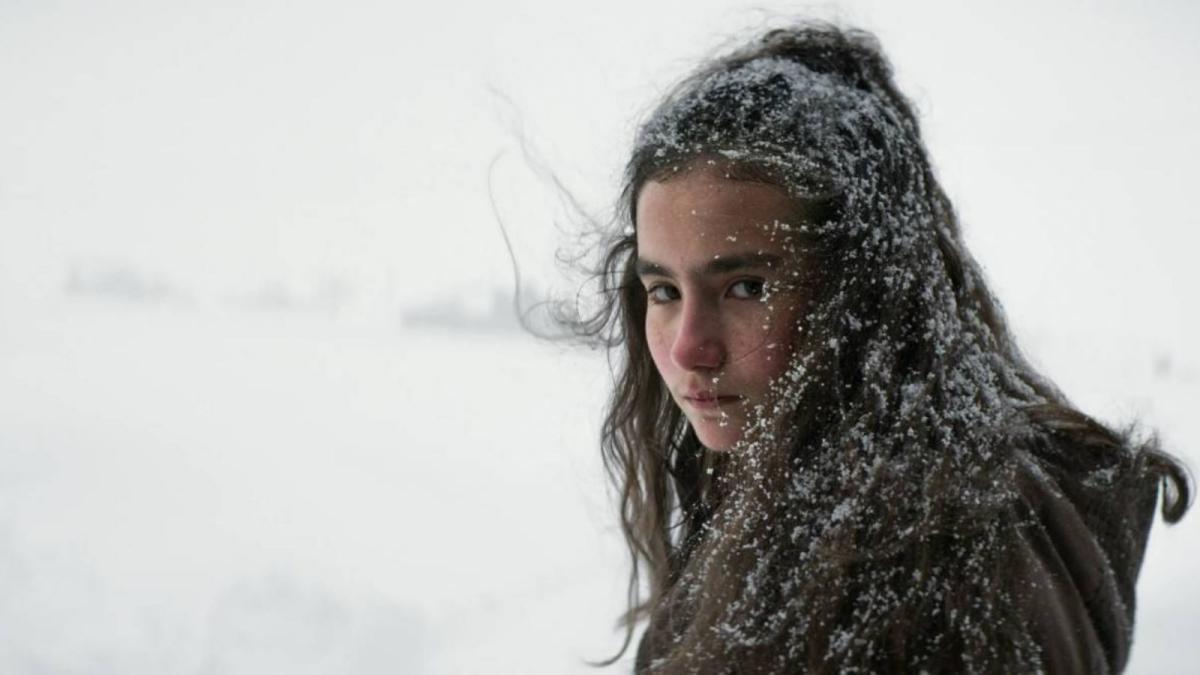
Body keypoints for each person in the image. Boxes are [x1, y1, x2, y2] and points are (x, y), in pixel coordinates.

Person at [563, 23, 1191, 674]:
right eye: (663, 291)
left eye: (747, 286)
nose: (690, 347)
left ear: (865, 295)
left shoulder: (889, 593)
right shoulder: (996, 485)